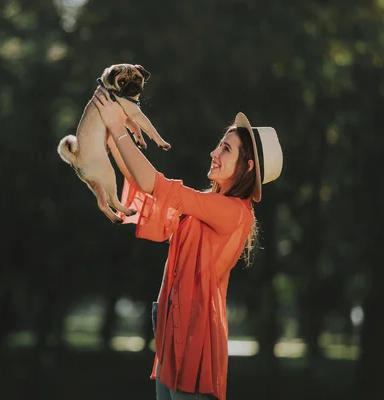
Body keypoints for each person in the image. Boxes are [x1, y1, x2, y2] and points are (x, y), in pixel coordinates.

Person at [91, 85, 283, 400]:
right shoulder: (208, 204)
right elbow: (150, 191)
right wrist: (113, 136)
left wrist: (115, 127)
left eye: (226, 149)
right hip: (173, 333)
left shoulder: (232, 212)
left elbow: (157, 184)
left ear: (247, 167)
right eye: (219, 145)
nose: (214, 153)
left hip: (195, 342)